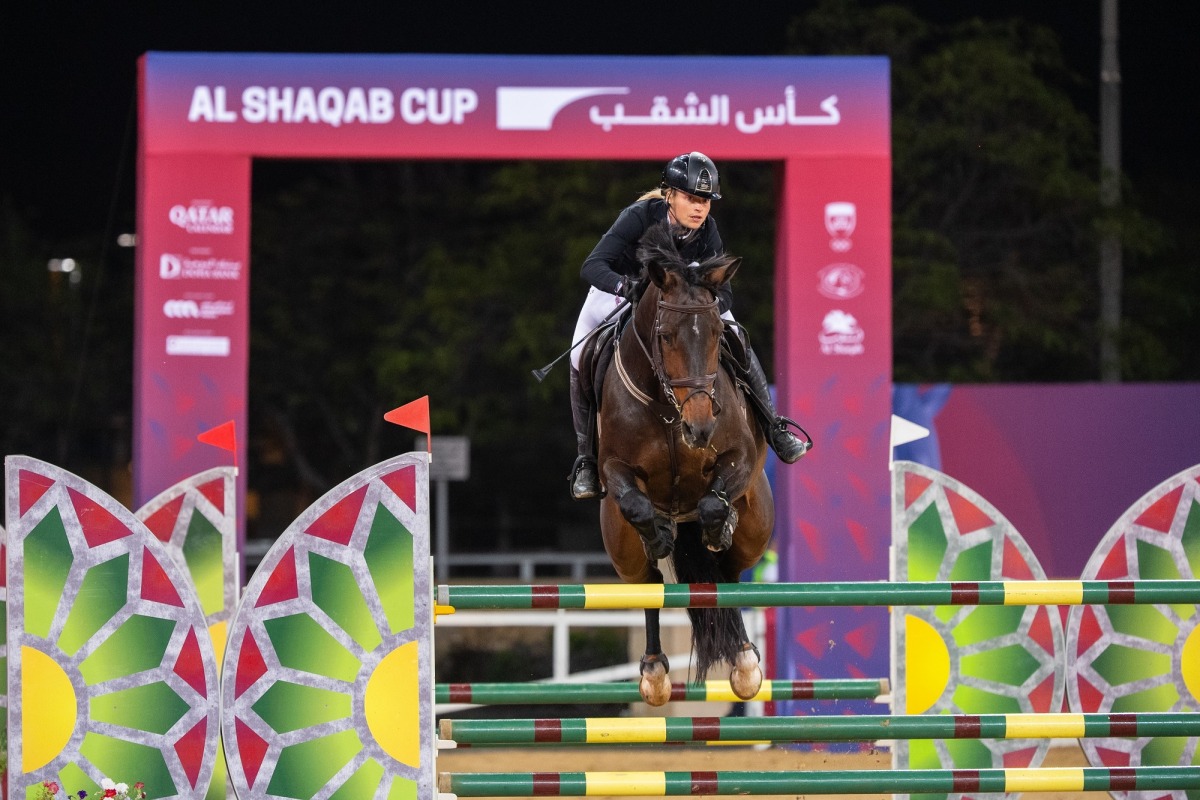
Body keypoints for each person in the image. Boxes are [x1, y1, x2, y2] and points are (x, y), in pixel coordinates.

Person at [567, 151, 809, 500]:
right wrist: (623, 286)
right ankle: (587, 460)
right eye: (691, 199)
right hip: (618, 293)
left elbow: (724, 293)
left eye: (705, 201)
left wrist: (701, 310)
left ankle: (774, 427)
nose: (699, 209)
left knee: (736, 335)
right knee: (580, 355)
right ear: (670, 195)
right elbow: (592, 265)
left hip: (682, 306)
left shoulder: (707, 230)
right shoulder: (639, 217)